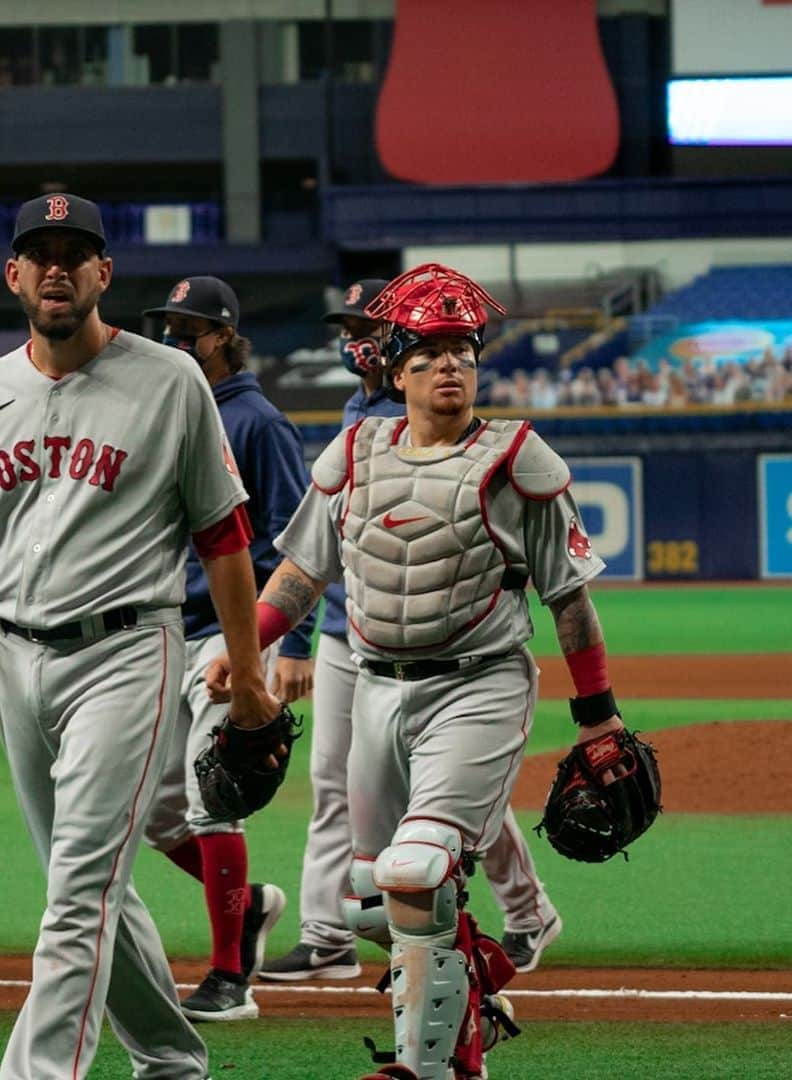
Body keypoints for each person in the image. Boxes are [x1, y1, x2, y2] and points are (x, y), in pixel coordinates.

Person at [0, 192, 282, 1080]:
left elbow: (224, 537)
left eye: (77, 252)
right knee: (93, 886)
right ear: (13, 275)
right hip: (15, 659)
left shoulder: (170, 380)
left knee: (77, 894)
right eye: (40, 252)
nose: (57, 267)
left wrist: (250, 675)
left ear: (106, 272)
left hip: (126, 652)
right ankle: (175, 1059)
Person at [206, 263, 624, 1080]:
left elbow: (570, 601)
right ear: (395, 370)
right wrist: (246, 650)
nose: (451, 367)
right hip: (373, 687)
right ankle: (474, 996)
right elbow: (299, 576)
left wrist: (598, 714)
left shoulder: (516, 460)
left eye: (463, 351)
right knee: (368, 899)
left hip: (480, 684)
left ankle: (429, 1068)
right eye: (430, 353)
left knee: (416, 868)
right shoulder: (357, 449)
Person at [261, 279, 561, 985]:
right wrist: (275, 646)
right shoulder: (356, 422)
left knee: (431, 828)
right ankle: (345, 932)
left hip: (460, 655)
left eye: (366, 326)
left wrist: (596, 710)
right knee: (358, 824)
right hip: (356, 641)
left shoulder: (468, 433)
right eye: (345, 327)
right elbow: (311, 557)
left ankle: (470, 949)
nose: (351, 339)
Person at [139, 276, 314, 1021]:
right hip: (162, 632)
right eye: (169, 326)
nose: (176, 338)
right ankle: (247, 910)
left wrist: (288, 646)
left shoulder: (258, 423)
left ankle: (228, 976)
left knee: (217, 802)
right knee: (153, 815)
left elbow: (300, 542)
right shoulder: (170, 412)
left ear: (222, 336)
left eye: (190, 328)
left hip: (227, 634)